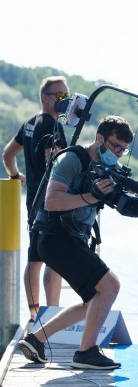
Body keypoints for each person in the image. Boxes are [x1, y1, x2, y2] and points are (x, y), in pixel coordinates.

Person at [18, 115, 136, 370]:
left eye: (123, 150)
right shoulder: (72, 159)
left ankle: (36, 339)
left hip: (71, 239)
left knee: (95, 297)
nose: (118, 153)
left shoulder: (105, 167)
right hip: (54, 237)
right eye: (115, 146)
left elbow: (97, 200)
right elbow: (53, 201)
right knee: (110, 286)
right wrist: (91, 195)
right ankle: (86, 353)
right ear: (100, 138)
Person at [2, 76, 69, 330]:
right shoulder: (52, 126)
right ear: (45, 97)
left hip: (32, 201)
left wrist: (14, 175)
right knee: (54, 258)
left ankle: (34, 317)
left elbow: (8, 154)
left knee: (35, 256)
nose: (65, 101)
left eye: (67, 96)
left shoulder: (29, 123)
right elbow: (55, 166)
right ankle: (52, 317)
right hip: (51, 202)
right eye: (60, 96)